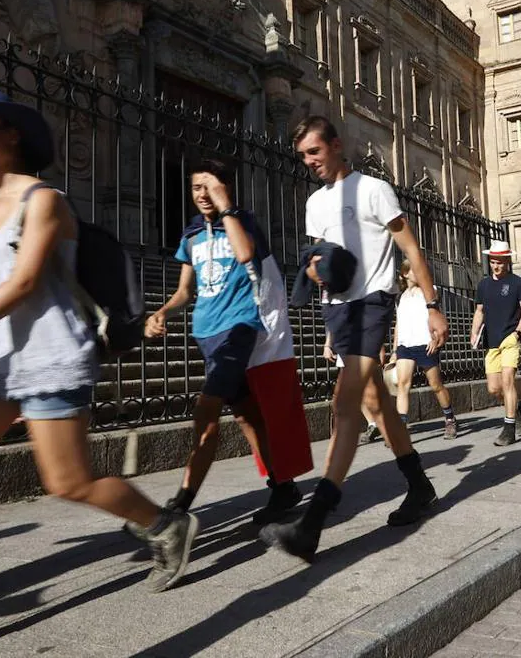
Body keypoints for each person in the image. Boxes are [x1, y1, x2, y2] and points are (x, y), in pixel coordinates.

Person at [0, 88, 197, 657]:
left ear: (12, 135)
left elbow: (22, 284)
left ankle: (164, 523)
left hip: (51, 358)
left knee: (67, 481)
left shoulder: (42, 200)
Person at [261, 116, 442, 564]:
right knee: (378, 405)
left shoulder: (373, 190)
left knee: (345, 405)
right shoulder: (314, 203)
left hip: (372, 305)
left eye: (315, 153)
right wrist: (313, 272)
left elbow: (411, 250)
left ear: (336, 146)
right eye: (303, 156)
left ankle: (314, 520)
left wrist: (434, 305)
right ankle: (419, 485)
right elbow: (317, 261)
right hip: (338, 311)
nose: (310, 163)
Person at [141, 159, 303, 525]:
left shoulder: (243, 222)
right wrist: (163, 311)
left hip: (240, 328)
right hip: (207, 334)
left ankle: (181, 502)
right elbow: (186, 290)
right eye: (196, 187)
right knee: (247, 416)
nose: (202, 194)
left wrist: (226, 206)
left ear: (225, 189)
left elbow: (246, 255)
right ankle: (283, 486)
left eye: (210, 186)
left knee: (206, 411)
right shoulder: (192, 235)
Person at [469, 240, 521, 446]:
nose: (496, 265)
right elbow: (479, 311)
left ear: (507, 261)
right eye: (493, 262)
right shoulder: (484, 284)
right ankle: (520, 408)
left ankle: (509, 428)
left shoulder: (517, 283)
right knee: (494, 389)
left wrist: (517, 333)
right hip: (491, 341)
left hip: (510, 339)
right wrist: (474, 332)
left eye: (499, 262)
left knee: (507, 382)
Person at [390, 259, 457, 439]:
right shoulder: (400, 296)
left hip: (425, 343)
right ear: (405, 273)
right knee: (403, 385)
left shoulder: (429, 291)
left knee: (436, 385)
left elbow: (437, 316)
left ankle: (449, 418)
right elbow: (398, 324)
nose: (419, 273)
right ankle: (401, 427)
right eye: (414, 270)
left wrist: (435, 339)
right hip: (405, 345)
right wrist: (395, 350)